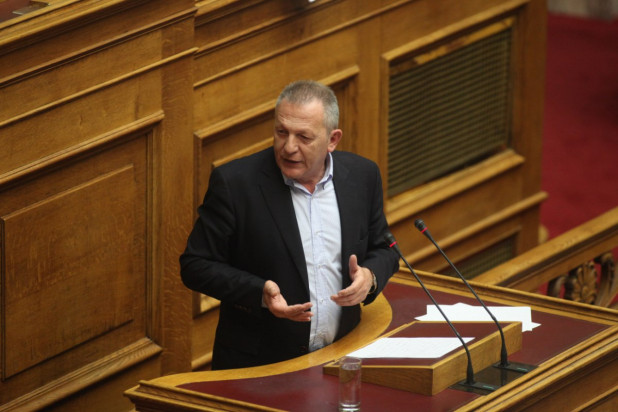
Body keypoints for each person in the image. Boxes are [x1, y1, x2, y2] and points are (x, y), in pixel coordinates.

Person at [180, 80, 399, 370]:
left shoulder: (362, 176)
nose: (289, 147)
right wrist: (259, 292)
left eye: (304, 137)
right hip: (259, 367)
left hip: (341, 357)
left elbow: (385, 248)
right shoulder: (235, 184)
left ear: (332, 140)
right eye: (281, 132)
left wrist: (369, 277)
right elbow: (195, 265)